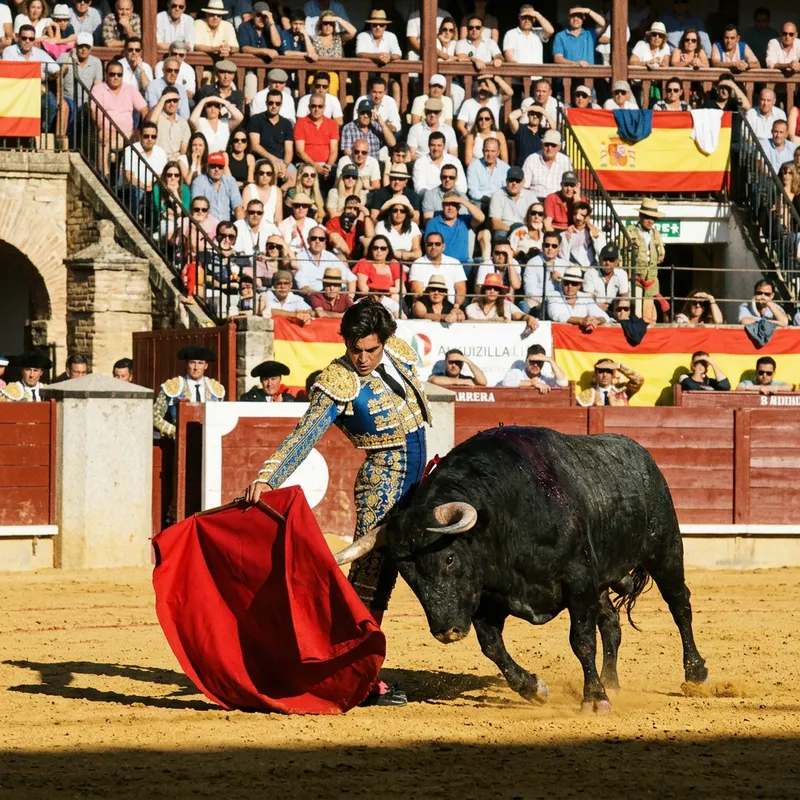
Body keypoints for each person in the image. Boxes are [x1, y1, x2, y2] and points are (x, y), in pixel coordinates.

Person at [244, 301, 431, 707]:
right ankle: (356, 678)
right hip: (383, 486)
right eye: (354, 349)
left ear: (384, 341)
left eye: (370, 349)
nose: (362, 359)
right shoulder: (337, 381)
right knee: (370, 583)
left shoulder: (398, 353)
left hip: (420, 481)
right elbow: (303, 435)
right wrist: (268, 476)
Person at [152, 345, 225, 438]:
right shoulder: (173, 386)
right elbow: (154, 416)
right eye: (192, 363)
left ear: (206, 366)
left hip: (209, 439)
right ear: (186, 364)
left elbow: (221, 416)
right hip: (179, 442)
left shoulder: (215, 388)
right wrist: (175, 431)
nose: (196, 367)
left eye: (200, 363)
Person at [626, 197, 665, 324]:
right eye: (647, 217)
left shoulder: (655, 234)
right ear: (640, 216)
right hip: (635, 277)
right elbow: (621, 254)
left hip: (651, 278)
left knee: (648, 313)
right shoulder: (629, 231)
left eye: (653, 218)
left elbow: (661, 257)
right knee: (636, 311)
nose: (650, 221)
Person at [121, 120, 167, 225]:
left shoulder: (160, 152)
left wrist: (151, 186)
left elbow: (161, 176)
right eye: (146, 136)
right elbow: (129, 177)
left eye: (153, 136)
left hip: (153, 187)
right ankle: (135, 222)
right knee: (138, 191)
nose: (150, 139)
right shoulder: (130, 150)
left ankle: (157, 223)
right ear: (140, 136)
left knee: (159, 190)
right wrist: (145, 186)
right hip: (134, 188)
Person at [294, 92, 339, 193]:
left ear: (324, 107)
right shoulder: (301, 123)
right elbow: (299, 151)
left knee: (336, 172)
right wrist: (316, 167)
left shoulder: (332, 123)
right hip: (307, 164)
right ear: (309, 107)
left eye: (320, 106)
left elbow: (334, 150)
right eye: (314, 106)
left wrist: (328, 165)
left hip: (327, 165)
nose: (317, 109)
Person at [425, 192, 488, 264]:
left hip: (463, 264)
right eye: (447, 204)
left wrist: (462, 201)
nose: (450, 208)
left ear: (458, 208)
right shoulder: (433, 223)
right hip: (443, 264)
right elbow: (430, 249)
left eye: (454, 204)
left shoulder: (464, 220)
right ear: (442, 206)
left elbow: (481, 218)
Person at [408, 231, 467, 307]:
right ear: (425, 246)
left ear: (443, 246)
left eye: (437, 244)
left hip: (451, 307)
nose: (433, 247)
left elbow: (461, 290)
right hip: (426, 307)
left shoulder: (455, 263)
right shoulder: (417, 264)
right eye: (430, 244)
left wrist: (456, 307)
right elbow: (417, 293)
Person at [464, 273, 537, 332]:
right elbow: (467, 323)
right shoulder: (471, 307)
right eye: (489, 288)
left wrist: (529, 318)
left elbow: (520, 316)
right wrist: (491, 321)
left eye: (496, 289)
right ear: (484, 290)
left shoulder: (507, 305)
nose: (492, 291)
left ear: (499, 292)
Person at [294, 226, 357, 294]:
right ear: (308, 240)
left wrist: (350, 297)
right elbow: (303, 287)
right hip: (310, 299)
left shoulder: (330, 257)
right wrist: (319, 298)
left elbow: (352, 278)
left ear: (324, 242)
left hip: (331, 298)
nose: (317, 241)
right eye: (314, 238)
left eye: (321, 239)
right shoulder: (300, 257)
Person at [547, 266, 609, 330]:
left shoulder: (585, 297)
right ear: (562, 283)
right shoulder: (553, 295)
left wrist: (595, 321)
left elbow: (604, 317)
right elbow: (557, 316)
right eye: (566, 283)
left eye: (574, 283)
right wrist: (582, 321)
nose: (570, 286)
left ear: (579, 286)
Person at [191, 151, 244, 222]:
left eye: (220, 166)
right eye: (213, 166)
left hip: (226, 227)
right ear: (207, 166)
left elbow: (238, 207)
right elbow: (197, 209)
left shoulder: (230, 181)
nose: (217, 169)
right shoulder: (198, 182)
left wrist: (241, 227)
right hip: (206, 226)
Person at [521, 230, 565, 314]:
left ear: (559, 248)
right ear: (542, 246)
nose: (550, 248)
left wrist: (560, 281)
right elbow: (529, 291)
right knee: (524, 306)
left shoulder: (564, 265)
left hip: (559, 301)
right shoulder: (532, 263)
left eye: (554, 246)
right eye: (547, 245)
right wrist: (549, 297)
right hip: (537, 301)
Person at [523, 130, 573, 199]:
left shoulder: (565, 161)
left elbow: (571, 185)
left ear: (559, 147)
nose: (549, 148)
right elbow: (524, 187)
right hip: (535, 202)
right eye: (547, 144)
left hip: (557, 201)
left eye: (553, 145)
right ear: (542, 144)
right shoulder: (531, 159)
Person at [502, 3, 554, 70]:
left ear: (534, 19)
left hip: (537, 77)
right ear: (519, 18)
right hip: (518, 77)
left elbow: (550, 30)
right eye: (524, 17)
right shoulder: (510, 34)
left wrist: (537, 14)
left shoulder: (538, 32)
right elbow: (509, 57)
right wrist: (521, 71)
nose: (527, 20)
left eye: (530, 17)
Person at [489, 165, 538, 232]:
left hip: (525, 230)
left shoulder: (531, 196)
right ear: (506, 181)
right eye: (511, 180)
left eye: (517, 180)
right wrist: (514, 231)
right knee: (500, 234)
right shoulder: (497, 195)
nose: (514, 183)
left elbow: (538, 218)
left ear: (523, 182)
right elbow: (495, 223)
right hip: (505, 229)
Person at [147, 86, 191, 161]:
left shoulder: (183, 122)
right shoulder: (157, 118)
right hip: (158, 159)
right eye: (168, 100)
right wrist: (163, 98)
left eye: (175, 101)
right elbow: (151, 123)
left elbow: (184, 149)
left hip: (176, 163)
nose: (172, 104)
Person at [501, 343, 568, 392]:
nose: (536, 365)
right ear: (526, 361)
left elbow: (563, 383)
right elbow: (506, 383)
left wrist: (550, 360)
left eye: (539, 362)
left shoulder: (545, 377)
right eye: (533, 361)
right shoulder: (517, 372)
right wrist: (533, 383)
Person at [576, 358, 644, 406]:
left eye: (608, 371)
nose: (605, 375)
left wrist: (619, 366)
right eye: (601, 371)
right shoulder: (586, 395)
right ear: (596, 374)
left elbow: (638, 380)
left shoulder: (622, 391)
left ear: (613, 375)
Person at [582, 244, 629, 311]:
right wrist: (598, 305)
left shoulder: (622, 274)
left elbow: (624, 296)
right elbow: (588, 298)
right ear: (599, 259)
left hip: (615, 310)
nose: (607, 263)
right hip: (595, 310)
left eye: (611, 260)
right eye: (605, 259)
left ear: (617, 261)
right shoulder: (590, 273)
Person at [558, 201, 605, 267]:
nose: (577, 217)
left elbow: (601, 253)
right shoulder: (565, 234)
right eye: (575, 214)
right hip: (573, 270)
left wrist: (596, 237)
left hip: (592, 269)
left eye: (582, 215)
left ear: (587, 218)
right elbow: (563, 257)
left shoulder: (595, 232)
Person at [466, 136, 509, 205]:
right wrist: (487, 200)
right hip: (480, 201)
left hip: (499, 202)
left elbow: (506, 189)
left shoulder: (505, 168)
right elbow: (472, 190)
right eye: (487, 151)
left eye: (493, 151)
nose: (490, 154)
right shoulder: (473, 166)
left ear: (498, 152)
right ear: (482, 151)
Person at [508, 98, 545, 168]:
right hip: (522, 169)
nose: (535, 116)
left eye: (538, 115)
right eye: (532, 113)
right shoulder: (521, 129)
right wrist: (529, 108)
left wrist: (543, 111)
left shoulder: (543, 132)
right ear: (528, 115)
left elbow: (555, 128)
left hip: (539, 170)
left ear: (541, 118)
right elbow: (511, 117)